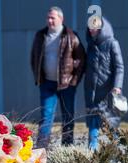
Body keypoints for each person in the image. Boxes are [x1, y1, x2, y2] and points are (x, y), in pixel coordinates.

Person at [30, 6, 86, 148]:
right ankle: (42, 149)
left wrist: (74, 81)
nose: (49, 20)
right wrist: (39, 77)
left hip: (67, 85)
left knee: (68, 117)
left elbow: (81, 60)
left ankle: (67, 149)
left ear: (61, 19)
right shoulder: (40, 36)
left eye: (53, 18)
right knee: (46, 117)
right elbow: (34, 58)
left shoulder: (71, 36)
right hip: (47, 84)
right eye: (48, 17)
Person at [84, 16, 124, 151]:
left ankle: (116, 152)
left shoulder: (112, 43)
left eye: (94, 28)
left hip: (108, 92)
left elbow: (119, 67)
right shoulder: (90, 45)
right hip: (91, 92)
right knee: (92, 123)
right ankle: (92, 152)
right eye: (90, 28)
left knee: (110, 124)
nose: (91, 31)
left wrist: (117, 86)